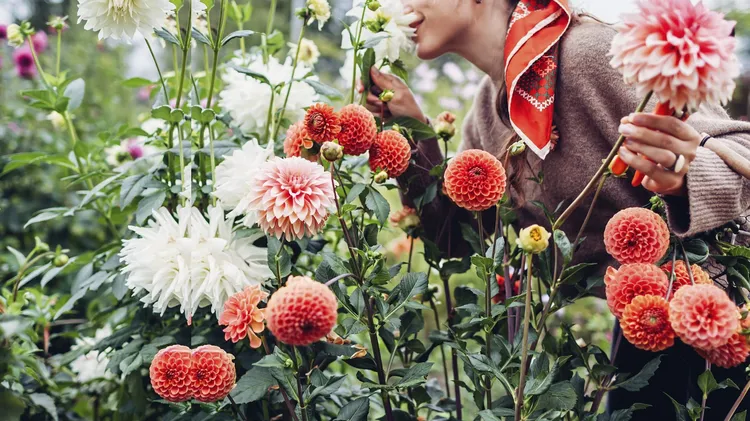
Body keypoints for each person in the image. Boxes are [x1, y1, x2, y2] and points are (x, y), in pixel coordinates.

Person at [359, 0, 750, 417]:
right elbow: (454, 240)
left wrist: (686, 173)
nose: (400, 5)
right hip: (646, 318)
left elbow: (741, 152)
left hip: (722, 309)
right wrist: (413, 131)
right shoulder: (488, 110)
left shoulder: (588, 53)